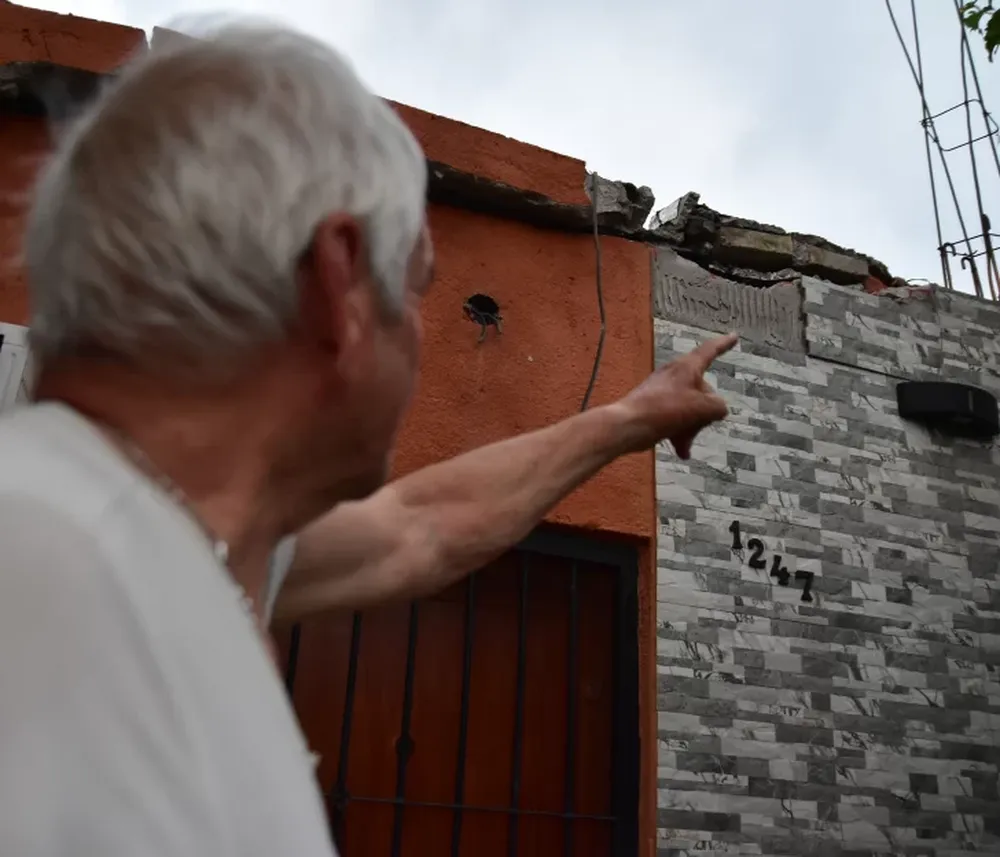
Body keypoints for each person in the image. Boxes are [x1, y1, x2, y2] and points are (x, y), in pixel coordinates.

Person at [0, 20, 737, 857]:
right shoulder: (49, 583)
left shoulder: (157, 540)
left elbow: (418, 527)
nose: (421, 334)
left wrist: (630, 418)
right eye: (417, 284)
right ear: (342, 282)